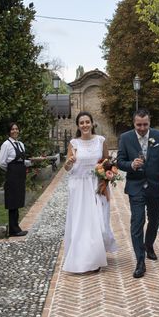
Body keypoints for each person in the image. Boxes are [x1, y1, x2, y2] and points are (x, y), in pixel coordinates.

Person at [117, 109, 159, 278]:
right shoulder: (125, 138)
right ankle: (140, 261)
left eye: (145, 124)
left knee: (154, 219)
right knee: (137, 221)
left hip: (156, 186)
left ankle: (149, 245)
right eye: (138, 124)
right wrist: (130, 165)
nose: (142, 128)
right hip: (136, 186)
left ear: (149, 122)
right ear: (133, 123)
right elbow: (119, 161)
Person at [62, 111, 117, 273]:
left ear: (92, 123)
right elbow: (67, 168)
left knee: (100, 223)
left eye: (87, 122)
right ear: (78, 126)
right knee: (82, 223)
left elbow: (107, 163)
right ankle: (89, 258)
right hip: (79, 187)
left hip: (97, 185)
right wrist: (70, 162)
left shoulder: (101, 141)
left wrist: (108, 177)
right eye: (81, 123)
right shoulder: (74, 143)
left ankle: (97, 252)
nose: (85, 125)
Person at [0, 122, 30, 237]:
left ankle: (16, 227)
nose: (15, 131)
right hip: (12, 175)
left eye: (16, 129)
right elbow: (1, 162)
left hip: (20, 175)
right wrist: (11, 170)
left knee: (18, 201)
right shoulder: (6, 144)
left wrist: (27, 163)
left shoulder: (21, 144)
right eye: (12, 129)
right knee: (12, 202)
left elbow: (21, 159)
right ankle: (13, 229)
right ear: (9, 131)